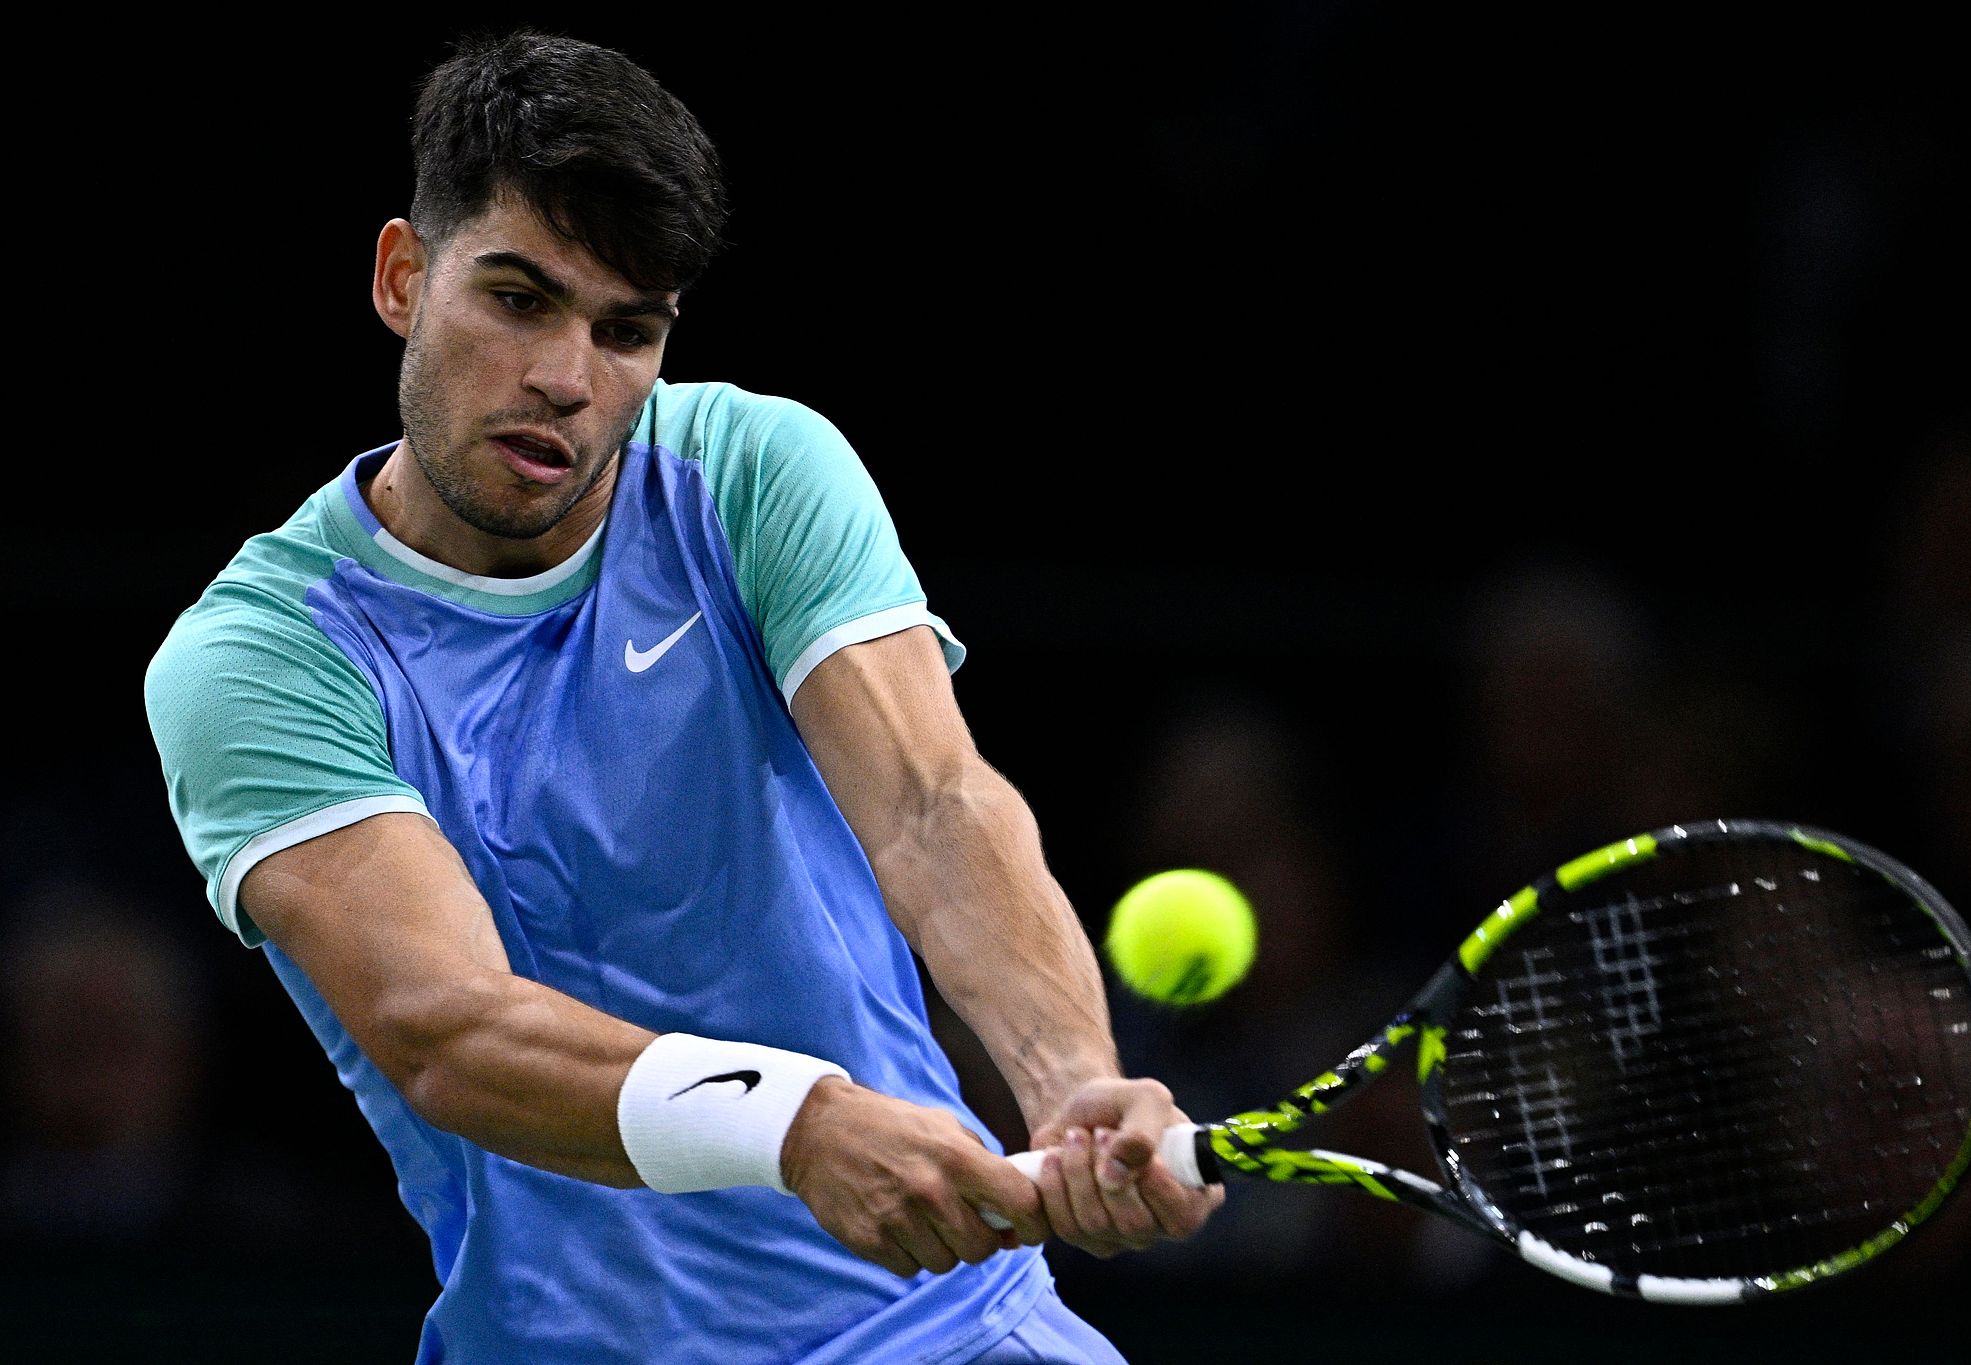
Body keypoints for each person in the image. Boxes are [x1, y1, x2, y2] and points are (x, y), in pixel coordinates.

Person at [142, 29, 1218, 1364]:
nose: (568, 379)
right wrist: (799, 1123)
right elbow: (449, 1029)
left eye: (625, 330)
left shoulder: (751, 470)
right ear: (403, 277)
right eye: (519, 299)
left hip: (957, 1331)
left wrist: (1072, 1084)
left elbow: (935, 807)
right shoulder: (260, 656)